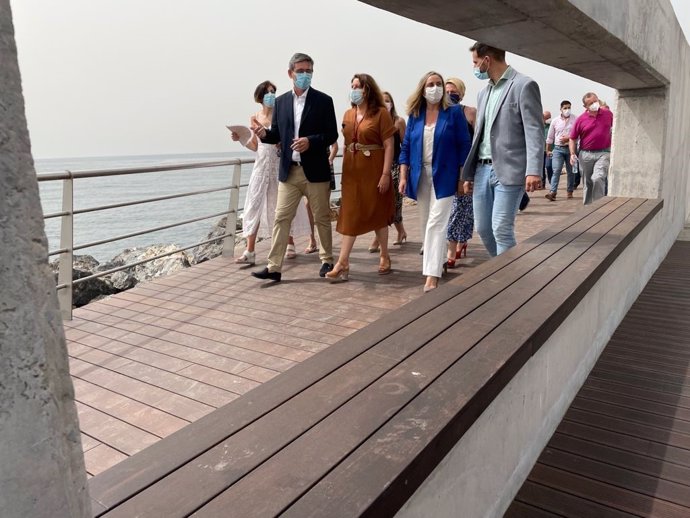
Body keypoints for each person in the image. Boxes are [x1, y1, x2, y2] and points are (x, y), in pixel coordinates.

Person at [251, 52, 338, 282]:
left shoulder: (324, 100)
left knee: (321, 217)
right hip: (289, 171)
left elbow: (331, 134)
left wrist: (311, 141)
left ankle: (327, 259)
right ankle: (274, 268)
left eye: (308, 71)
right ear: (290, 73)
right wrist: (264, 134)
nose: (305, 75)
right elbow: (277, 134)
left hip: (315, 171)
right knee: (281, 218)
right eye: (300, 71)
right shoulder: (280, 102)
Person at [462, 42, 543, 257]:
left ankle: (506, 280)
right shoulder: (483, 93)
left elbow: (534, 131)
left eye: (475, 62)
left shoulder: (524, 85)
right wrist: (469, 173)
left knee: (501, 228)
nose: (475, 67)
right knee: (484, 229)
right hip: (481, 170)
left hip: (509, 170)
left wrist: (533, 170)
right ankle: (505, 270)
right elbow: (480, 136)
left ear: (487, 60)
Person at [399, 71, 471, 292]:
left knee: (436, 223)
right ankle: (438, 261)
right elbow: (406, 148)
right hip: (420, 176)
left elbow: (464, 146)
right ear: (423, 88)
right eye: (431, 84)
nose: (435, 88)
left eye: (439, 84)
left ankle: (431, 275)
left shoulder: (454, 113)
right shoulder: (415, 115)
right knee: (425, 223)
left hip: (446, 176)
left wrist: (463, 178)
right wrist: (402, 176)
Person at [230, 81, 310, 265]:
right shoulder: (254, 117)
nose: (271, 95)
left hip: (278, 163)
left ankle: (290, 243)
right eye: (268, 92)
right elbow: (255, 146)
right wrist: (241, 138)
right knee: (253, 205)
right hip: (261, 165)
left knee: (281, 205)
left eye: (273, 91)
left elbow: (287, 138)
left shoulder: (281, 114)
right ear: (260, 96)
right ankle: (250, 251)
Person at [326, 73, 396, 282]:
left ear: (367, 89)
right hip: (352, 171)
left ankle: (384, 254)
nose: (354, 89)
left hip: (374, 169)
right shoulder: (348, 114)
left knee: (377, 212)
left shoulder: (381, 114)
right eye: (352, 86)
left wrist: (385, 174)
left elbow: (389, 144)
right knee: (350, 215)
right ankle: (343, 262)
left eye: (358, 86)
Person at [368, 91, 408, 253]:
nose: (385, 104)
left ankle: (378, 238)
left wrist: (406, 168)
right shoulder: (374, 122)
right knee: (381, 203)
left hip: (396, 167)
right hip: (380, 167)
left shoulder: (398, 122)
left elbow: (405, 145)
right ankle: (401, 231)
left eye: (388, 101)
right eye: (382, 101)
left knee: (394, 202)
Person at [444, 77, 476, 268]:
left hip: (465, 167)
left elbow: (478, 139)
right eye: (446, 91)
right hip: (446, 166)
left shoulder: (469, 112)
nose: (449, 94)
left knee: (460, 208)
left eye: (453, 90)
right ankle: (461, 241)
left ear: (461, 93)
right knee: (453, 209)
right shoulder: (440, 114)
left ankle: (451, 249)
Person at [569, 92, 613, 205]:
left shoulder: (608, 114)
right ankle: (588, 208)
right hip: (585, 155)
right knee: (588, 182)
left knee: (598, 178)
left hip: (603, 153)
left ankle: (597, 206)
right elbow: (572, 138)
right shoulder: (580, 119)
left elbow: (616, 128)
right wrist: (572, 153)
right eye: (591, 103)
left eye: (595, 101)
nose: (594, 104)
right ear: (585, 107)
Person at [304, 142, 338, 254]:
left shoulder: (325, 126)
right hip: (308, 166)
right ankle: (312, 240)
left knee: (323, 207)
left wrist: (329, 160)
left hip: (324, 166)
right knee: (307, 205)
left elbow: (335, 146)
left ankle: (324, 242)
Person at [545, 100, 577, 200]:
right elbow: (550, 137)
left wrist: (568, 138)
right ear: (561, 109)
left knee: (571, 171)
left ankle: (570, 191)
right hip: (558, 149)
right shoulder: (555, 121)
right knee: (556, 170)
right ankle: (553, 192)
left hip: (570, 149)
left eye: (569, 108)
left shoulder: (575, 119)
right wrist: (548, 150)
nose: (567, 110)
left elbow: (579, 135)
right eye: (565, 108)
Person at [542, 111, 554, 189]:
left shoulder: (551, 126)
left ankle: (551, 181)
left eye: (549, 117)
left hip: (550, 149)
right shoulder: (538, 126)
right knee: (541, 167)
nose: (549, 119)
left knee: (549, 166)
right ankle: (542, 184)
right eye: (547, 117)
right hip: (541, 150)